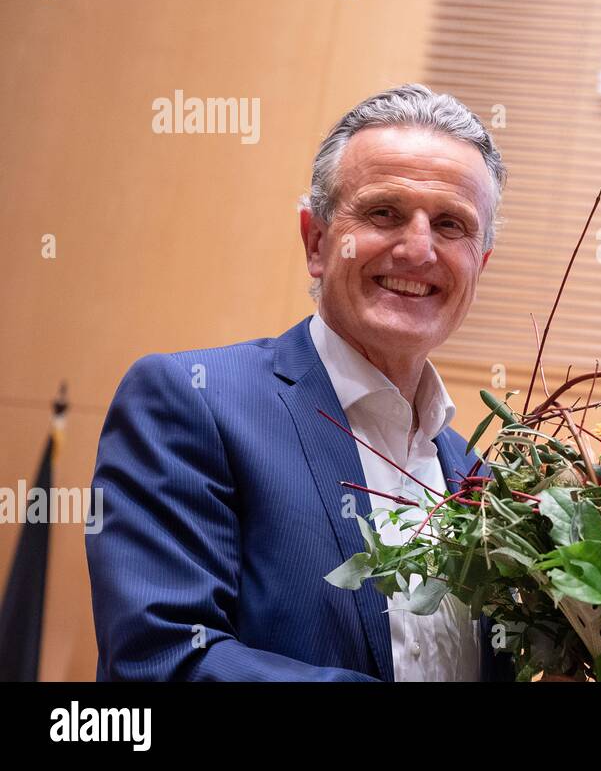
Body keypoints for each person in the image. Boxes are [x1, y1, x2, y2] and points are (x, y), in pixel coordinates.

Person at [86, 84, 512, 681]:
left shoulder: (481, 480)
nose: (418, 249)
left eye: (451, 225)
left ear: (479, 264)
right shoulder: (191, 402)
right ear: (316, 240)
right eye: (383, 212)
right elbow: (162, 660)